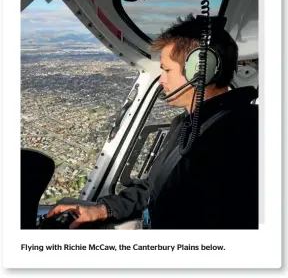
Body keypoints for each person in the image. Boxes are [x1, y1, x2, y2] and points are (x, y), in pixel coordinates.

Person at [47, 14, 258, 229]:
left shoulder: (244, 134)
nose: (162, 80)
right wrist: (104, 209)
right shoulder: (187, 125)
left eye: (167, 70)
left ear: (200, 70)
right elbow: (154, 187)